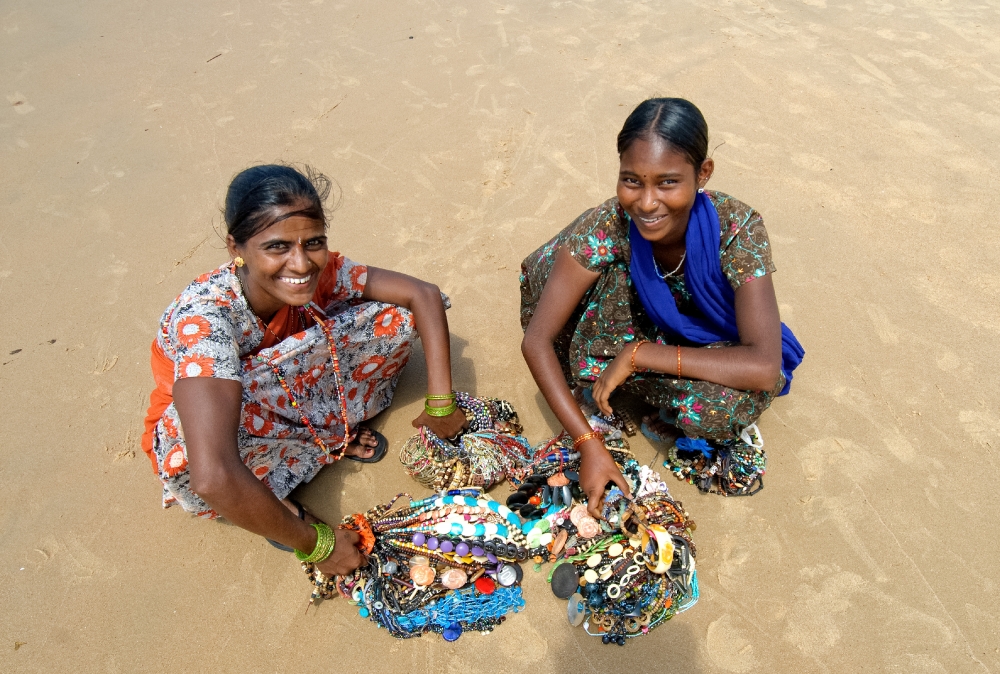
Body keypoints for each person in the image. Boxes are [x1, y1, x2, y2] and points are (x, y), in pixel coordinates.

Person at [141, 164, 466, 575]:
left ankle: (324, 437)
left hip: (290, 387)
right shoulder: (206, 319)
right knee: (197, 449)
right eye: (277, 247)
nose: (300, 264)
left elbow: (422, 294)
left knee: (393, 316)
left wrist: (440, 401)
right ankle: (284, 507)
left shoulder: (321, 266)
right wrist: (318, 545)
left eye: (313, 242)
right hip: (231, 426)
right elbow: (212, 475)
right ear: (235, 247)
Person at [520, 98, 803, 513]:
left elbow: (762, 365)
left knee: (719, 411)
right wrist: (589, 445)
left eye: (668, 182)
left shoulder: (738, 228)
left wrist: (642, 354)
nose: (647, 203)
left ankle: (630, 374)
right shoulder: (609, 224)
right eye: (632, 181)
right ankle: (605, 378)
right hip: (600, 322)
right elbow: (537, 339)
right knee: (597, 272)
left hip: (662, 340)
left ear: (703, 173)